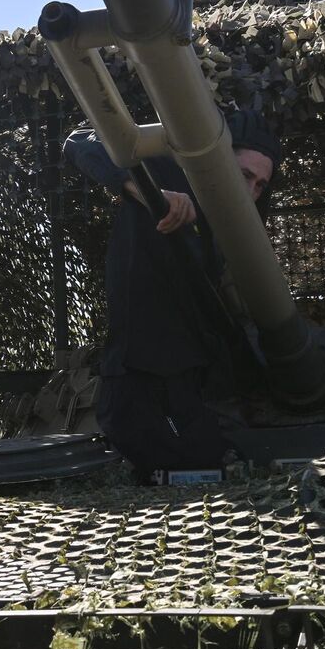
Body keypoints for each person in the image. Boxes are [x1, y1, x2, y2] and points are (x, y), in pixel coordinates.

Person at [62, 110, 279, 482]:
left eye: (260, 185)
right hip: (137, 380)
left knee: (220, 470)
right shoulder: (166, 174)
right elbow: (81, 142)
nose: (250, 191)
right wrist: (149, 193)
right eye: (245, 175)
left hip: (191, 388)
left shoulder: (229, 233)